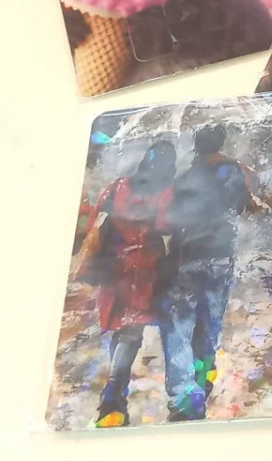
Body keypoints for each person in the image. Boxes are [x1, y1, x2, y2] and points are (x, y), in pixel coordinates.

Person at [76, 140, 176, 428]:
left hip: (114, 268)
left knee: (121, 331)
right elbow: (166, 225)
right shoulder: (164, 193)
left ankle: (115, 398)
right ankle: (112, 400)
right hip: (144, 271)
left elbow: (95, 220)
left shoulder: (118, 186)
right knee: (131, 334)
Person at [157, 124, 249, 421]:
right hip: (219, 258)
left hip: (186, 258)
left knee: (180, 327)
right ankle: (203, 381)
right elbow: (240, 205)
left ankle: (185, 397)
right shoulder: (232, 173)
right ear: (220, 142)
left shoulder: (183, 180)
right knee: (209, 325)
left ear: (196, 145)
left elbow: (168, 223)